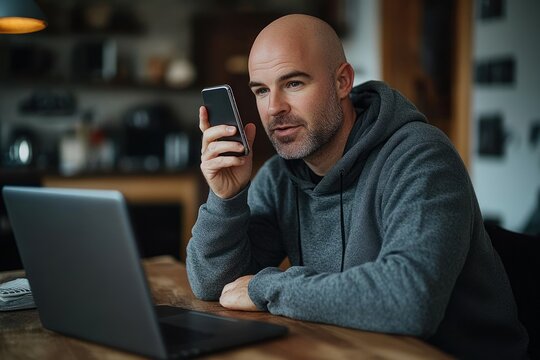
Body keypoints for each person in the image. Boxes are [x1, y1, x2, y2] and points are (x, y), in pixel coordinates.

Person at [187, 14, 529, 359]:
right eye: (261, 90)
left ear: (342, 82)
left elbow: (409, 301)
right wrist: (225, 199)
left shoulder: (421, 158)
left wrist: (268, 286)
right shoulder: (280, 176)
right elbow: (215, 286)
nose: (274, 108)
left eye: (293, 84)